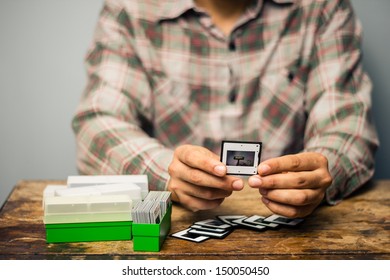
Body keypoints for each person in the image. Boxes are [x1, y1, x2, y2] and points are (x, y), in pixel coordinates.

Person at [72, 0, 379, 218]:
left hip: (292, 232)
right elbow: (97, 124)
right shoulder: (129, 9)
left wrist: (318, 176)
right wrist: (166, 173)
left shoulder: (322, 7)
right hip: (180, 230)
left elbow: (348, 124)